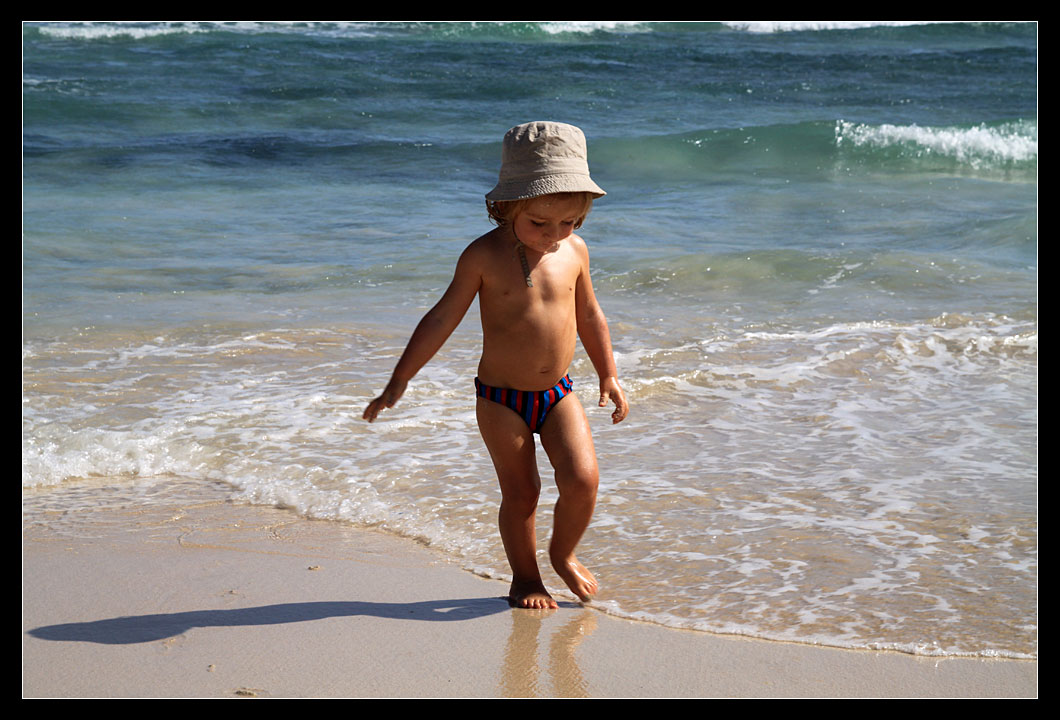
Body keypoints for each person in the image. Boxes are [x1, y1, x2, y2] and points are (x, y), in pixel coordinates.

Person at [364, 121, 628, 609]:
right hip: (501, 400)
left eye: (568, 223)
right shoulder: (482, 256)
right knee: (523, 492)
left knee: (583, 480)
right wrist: (400, 379)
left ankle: (563, 553)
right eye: (539, 223)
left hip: (559, 393)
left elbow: (590, 314)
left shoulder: (574, 251)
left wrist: (608, 373)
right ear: (506, 207)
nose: (553, 235)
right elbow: (441, 318)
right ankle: (525, 579)